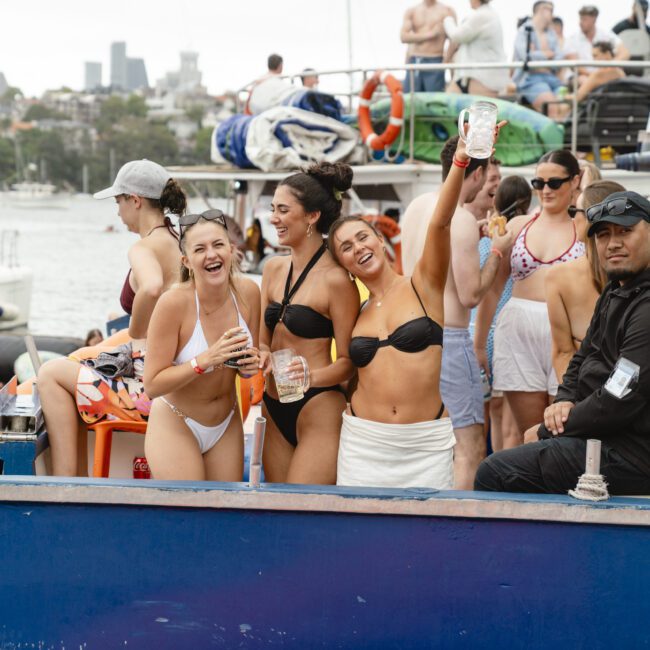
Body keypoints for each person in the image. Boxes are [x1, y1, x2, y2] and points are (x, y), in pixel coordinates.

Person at [328, 127, 505, 490]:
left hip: (424, 446)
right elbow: (345, 369)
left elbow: (441, 222)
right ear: (343, 263)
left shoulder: (423, 284)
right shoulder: (354, 309)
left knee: (431, 541)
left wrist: (462, 159)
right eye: (346, 247)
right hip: (363, 443)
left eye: (363, 237)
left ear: (379, 239)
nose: (358, 247)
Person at [475, 191, 650, 495]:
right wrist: (564, 399)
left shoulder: (646, 306)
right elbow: (582, 356)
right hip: (601, 437)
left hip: (632, 454)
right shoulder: (615, 291)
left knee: (495, 472)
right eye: (604, 234)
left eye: (625, 231)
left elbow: (619, 397)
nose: (613, 243)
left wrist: (548, 430)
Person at [37, 160, 187, 476]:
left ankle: (66, 485)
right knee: (76, 370)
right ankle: (75, 483)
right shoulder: (178, 240)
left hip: (149, 391)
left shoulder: (144, 247)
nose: (117, 212)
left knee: (51, 373)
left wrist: (135, 332)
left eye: (118, 201)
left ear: (135, 200)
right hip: (178, 382)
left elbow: (151, 286)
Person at [398, 134, 513, 489]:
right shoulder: (459, 219)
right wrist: (496, 250)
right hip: (449, 337)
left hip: (409, 335)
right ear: (475, 175)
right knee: (469, 443)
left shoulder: (417, 205)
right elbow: (470, 294)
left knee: (424, 438)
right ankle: (461, 525)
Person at [259, 162, 359, 485]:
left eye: (283, 210)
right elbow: (264, 340)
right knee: (275, 514)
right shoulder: (273, 269)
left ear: (312, 217)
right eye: (273, 208)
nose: (273, 218)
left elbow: (347, 362)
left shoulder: (337, 280)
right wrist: (260, 354)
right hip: (273, 404)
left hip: (318, 404)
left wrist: (310, 376)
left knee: (302, 510)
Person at [143, 211, 260, 481]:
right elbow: (152, 385)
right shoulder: (173, 304)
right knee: (187, 515)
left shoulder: (249, 293)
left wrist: (251, 364)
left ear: (231, 250)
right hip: (177, 421)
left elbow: (254, 355)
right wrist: (203, 361)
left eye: (218, 245)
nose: (212, 255)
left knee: (224, 515)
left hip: (227, 422)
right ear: (186, 261)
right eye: (200, 249)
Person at [484, 150, 584, 445]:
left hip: (567, 332)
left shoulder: (584, 228)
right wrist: (479, 344)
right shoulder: (517, 226)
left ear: (575, 181)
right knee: (526, 430)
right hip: (518, 329)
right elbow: (493, 288)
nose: (545, 190)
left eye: (554, 182)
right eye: (538, 183)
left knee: (562, 428)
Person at [545, 180, 625, 384]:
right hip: (588, 397)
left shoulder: (558, 277)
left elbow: (563, 353)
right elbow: (563, 354)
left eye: (575, 210)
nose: (571, 218)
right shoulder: (558, 277)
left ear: (592, 216)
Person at [474, 175, 532, 451]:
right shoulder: (523, 239)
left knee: (492, 413)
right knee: (511, 423)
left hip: (484, 331)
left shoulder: (486, 242)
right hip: (510, 331)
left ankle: (491, 472)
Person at [443, 0, 510, 97]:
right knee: (448, 105)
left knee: (481, 111)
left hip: (483, 79)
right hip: (465, 77)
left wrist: (448, 19)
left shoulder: (483, 15)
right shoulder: (482, 14)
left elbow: (457, 36)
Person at [513, 1, 564, 119]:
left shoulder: (551, 33)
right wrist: (546, 54)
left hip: (553, 80)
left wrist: (536, 54)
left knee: (567, 105)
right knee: (551, 107)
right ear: (542, 10)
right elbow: (525, 56)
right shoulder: (524, 31)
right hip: (531, 80)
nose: (552, 15)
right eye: (551, 11)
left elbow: (558, 58)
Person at [401, 0, 456, 93]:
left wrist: (446, 61)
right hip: (415, 60)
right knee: (411, 100)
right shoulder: (412, 11)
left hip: (435, 60)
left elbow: (454, 39)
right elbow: (403, 37)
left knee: (434, 102)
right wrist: (431, 34)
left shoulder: (447, 11)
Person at [565, 6, 629, 85]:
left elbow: (625, 52)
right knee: (584, 81)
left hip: (604, 75)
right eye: (580, 18)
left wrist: (612, 66)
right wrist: (596, 77)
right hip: (582, 76)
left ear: (594, 20)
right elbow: (574, 65)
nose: (580, 22)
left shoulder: (606, 35)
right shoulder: (572, 39)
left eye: (584, 19)